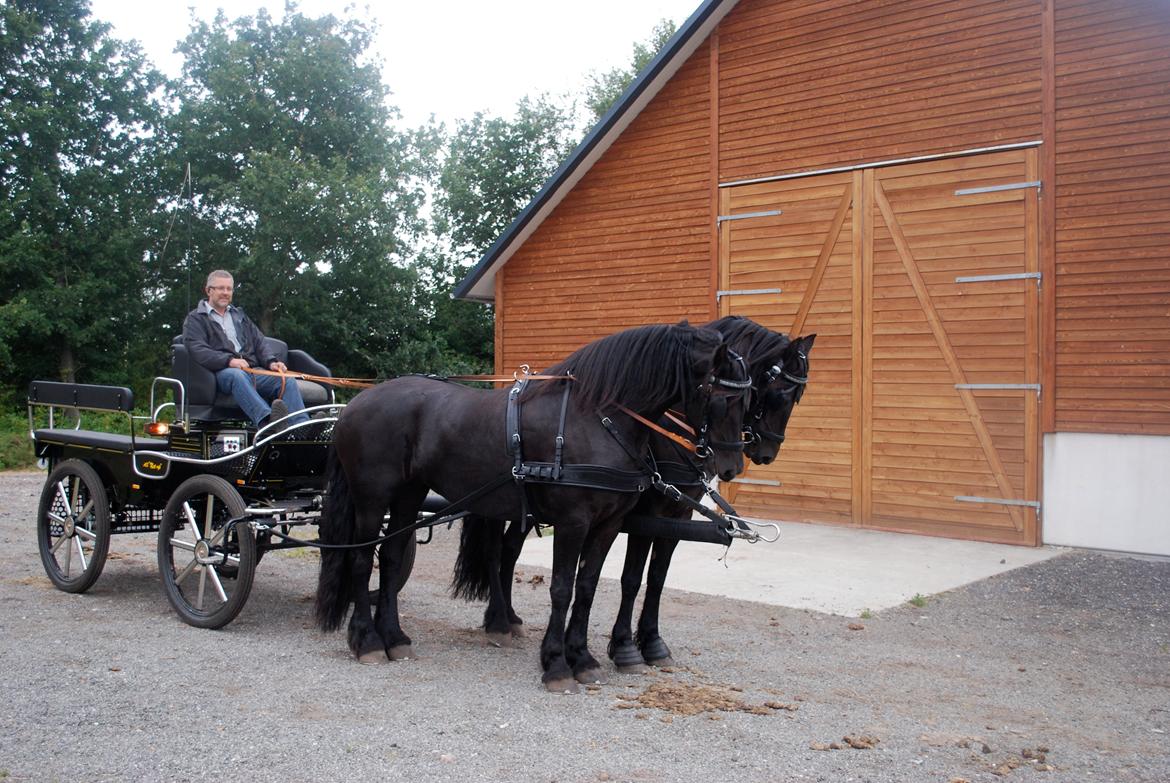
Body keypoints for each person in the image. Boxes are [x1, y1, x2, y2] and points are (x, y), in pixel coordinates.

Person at [182, 270, 309, 430]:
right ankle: (268, 423)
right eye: (221, 288)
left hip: (252, 370)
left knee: (286, 379)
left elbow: (259, 341)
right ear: (209, 290)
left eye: (229, 289)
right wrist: (229, 361)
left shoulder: (239, 315)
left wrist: (271, 362)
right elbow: (198, 350)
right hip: (221, 372)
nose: (225, 293)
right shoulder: (195, 319)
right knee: (237, 375)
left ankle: (302, 427)